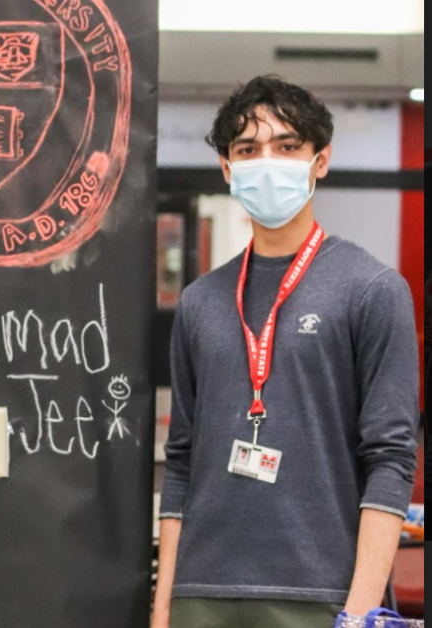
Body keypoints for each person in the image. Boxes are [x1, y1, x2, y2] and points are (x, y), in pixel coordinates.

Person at [152, 76, 419, 628]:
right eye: (248, 150)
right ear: (227, 169)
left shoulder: (372, 289)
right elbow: (181, 461)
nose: (266, 161)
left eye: (287, 146)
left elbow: (391, 458)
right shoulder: (200, 302)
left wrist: (361, 611)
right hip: (202, 594)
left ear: (320, 161)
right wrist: (163, 609)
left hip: (323, 594)